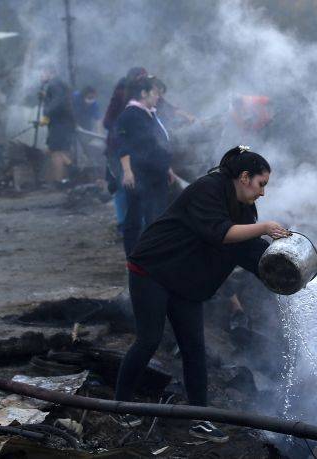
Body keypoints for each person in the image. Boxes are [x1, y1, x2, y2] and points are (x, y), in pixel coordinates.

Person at [114, 146, 290, 441]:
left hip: (186, 279)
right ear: (245, 177)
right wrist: (265, 228)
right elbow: (219, 232)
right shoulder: (208, 189)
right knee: (149, 339)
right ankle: (119, 406)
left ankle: (199, 419)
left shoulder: (245, 207)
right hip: (154, 269)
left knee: (194, 349)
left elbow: (246, 249)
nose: (263, 193)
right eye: (262, 184)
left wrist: (279, 271)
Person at [116, 76, 175, 255]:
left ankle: (153, 254)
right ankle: (134, 257)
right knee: (135, 217)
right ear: (143, 93)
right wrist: (127, 171)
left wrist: (167, 168)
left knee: (155, 216)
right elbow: (123, 145)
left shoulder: (148, 113)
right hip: (140, 174)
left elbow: (158, 143)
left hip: (157, 173)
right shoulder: (131, 115)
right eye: (155, 93)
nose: (158, 97)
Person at [103, 67, 148, 235]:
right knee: (122, 185)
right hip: (117, 148)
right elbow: (107, 122)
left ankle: (141, 223)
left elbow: (163, 106)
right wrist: (123, 131)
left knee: (139, 185)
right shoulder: (121, 94)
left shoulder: (145, 94)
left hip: (137, 149)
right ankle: (123, 224)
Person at [40, 67, 76, 185]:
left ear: (50, 72)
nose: (41, 76)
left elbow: (57, 104)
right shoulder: (59, 84)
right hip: (64, 123)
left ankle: (59, 181)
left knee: (56, 152)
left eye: (43, 72)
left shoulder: (54, 84)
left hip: (59, 124)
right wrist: (46, 97)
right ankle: (68, 175)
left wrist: (46, 114)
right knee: (57, 150)